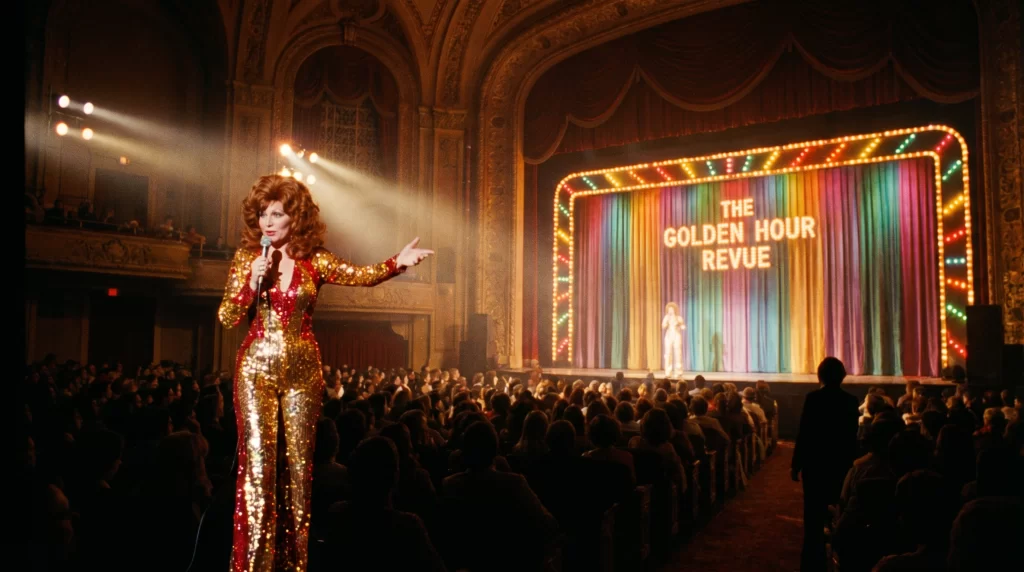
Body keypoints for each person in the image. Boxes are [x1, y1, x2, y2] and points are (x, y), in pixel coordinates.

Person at [217, 174, 433, 572]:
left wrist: (396, 264)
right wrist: (250, 284)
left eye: (277, 214)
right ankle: (254, 565)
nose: (268, 222)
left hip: (303, 372)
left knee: (299, 472)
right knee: (259, 471)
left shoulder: (315, 259)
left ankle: (293, 564)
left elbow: (360, 275)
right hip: (256, 370)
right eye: (263, 214)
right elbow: (228, 316)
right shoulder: (247, 259)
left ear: (295, 217)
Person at [791, 357, 860, 572]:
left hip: (815, 466)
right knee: (840, 508)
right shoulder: (851, 401)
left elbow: (805, 433)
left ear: (819, 376)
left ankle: (812, 563)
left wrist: (796, 464)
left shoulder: (813, 398)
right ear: (842, 377)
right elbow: (852, 437)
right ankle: (840, 553)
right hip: (840, 465)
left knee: (813, 516)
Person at [662, 302, 685, 376]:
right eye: (669, 310)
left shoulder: (679, 318)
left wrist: (680, 325)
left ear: (674, 310)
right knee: (668, 354)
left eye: (671, 309)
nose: (670, 311)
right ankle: (668, 372)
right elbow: (663, 326)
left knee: (678, 354)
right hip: (668, 336)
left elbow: (683, 327)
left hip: (677, 336)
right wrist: (667, 322)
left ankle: (678, 372)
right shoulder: (666, 317)